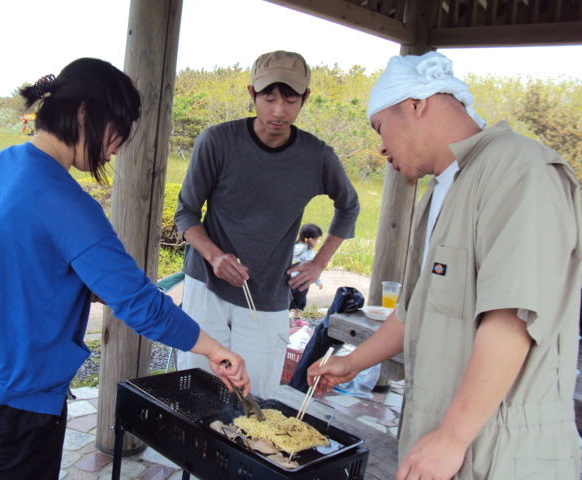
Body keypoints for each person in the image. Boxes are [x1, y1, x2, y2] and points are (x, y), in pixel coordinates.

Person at [0, 58, 249, 480]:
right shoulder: (67, 202)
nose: (118, 146)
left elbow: (11, 258)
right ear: (85, 112)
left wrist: (88, 285)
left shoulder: (5, 161)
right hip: (11, 394)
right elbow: (141, 306)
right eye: (117, 129)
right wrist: (216, 350)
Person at [308, 51, 582, 480]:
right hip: (440, 433)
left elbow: (512, 318)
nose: (381, 146)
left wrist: (453, 435)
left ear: (416, 105)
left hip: (499, 447)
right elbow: (416, 309)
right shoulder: (442, 189)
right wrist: (353, 361)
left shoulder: (519, 169)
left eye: (380, 127)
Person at [175, 50, 360, 398]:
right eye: (269, 98)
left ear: (304, 98)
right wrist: (215, 256)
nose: (278, 111)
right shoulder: (217, 141)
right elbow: (185, 213)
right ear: (252, 94)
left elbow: (348, 206)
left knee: (255, 398)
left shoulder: (317, 156)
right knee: (197, 392)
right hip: (206, 286)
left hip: (268, 295)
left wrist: (318, 263)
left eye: (290, 100)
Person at [290, 223, 323, 327]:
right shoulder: (309, 252)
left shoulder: (294, 247)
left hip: (289, 280)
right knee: (299, 302)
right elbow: (312, 270)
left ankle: (283, 319)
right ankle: (296, 320)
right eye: (317, 239)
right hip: (302, 281)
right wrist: (318, 282)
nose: (317, 242)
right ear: (311, 240)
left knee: (288, 300)